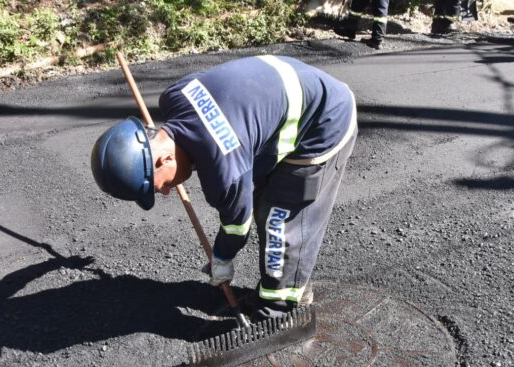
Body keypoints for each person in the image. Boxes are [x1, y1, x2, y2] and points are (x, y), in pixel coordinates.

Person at [90, 56, 357, 320]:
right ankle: (291, 281)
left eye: (162, 186)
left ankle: (279, 307)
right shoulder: (173, 96)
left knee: (278, 216)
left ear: (164, 159)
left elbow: (237, 226)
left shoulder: (223, 169)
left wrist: (221, 256)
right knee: (263, 193)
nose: (167, 191)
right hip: (291, 87)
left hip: (324, 120)